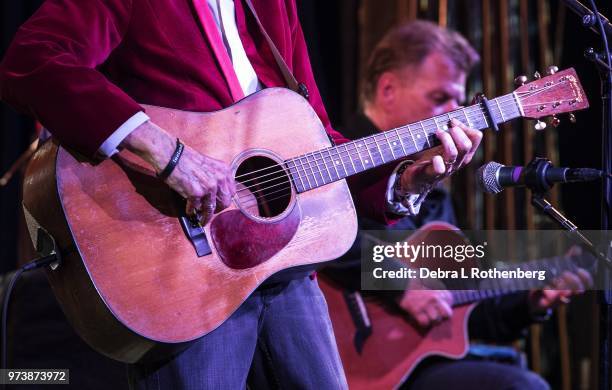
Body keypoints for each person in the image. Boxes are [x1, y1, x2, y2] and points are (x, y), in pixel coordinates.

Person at [0, 2, 481, 389]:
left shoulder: (274, 8)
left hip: (284, 268)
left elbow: (314, 141)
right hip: (184, 265)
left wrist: (403, 181)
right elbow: (33, 61)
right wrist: (168, 153)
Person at [323, 20, 591, 390]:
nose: (456, 114)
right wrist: (401, 286)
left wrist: (529, 302)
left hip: (410, 367)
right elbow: (317, 233)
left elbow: (458, 309)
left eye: (459, 100)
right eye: (439, 98)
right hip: (335, 358)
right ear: (388, 89)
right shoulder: (331, 162)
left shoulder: (438, 195)